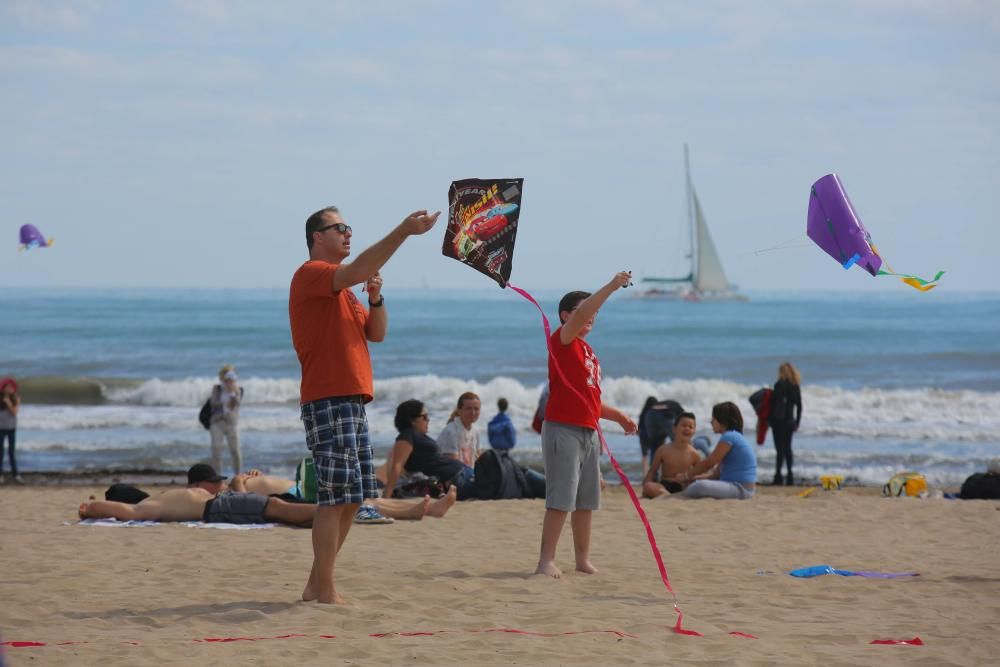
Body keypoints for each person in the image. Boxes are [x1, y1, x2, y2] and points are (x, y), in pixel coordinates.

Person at [289, 204, 439, 605]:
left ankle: (316, 583)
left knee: (354, 497)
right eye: (339, 228)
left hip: (352, 400)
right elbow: (354, 269)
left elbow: (378, 333)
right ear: (318, 237)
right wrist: (404, 231)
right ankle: (325, 589)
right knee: (334, 497)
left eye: (349, 227)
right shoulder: (312, 274)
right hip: (327, 398)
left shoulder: (347, 293)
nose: (347, 233)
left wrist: (375, 298)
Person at [534, 274, 638, 579]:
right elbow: (581, 314)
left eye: (595, 313)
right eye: (585, 311)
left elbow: (589, 399)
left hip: (588, 430)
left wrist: (618, 415)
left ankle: (582, 559)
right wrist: (611, 286)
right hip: (562, 428)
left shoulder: (588, 351)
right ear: (567, 316)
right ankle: (545, 561)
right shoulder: (562, 340)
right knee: (561, 499)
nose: (592, 316)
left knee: (585, 500)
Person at [78, 464, 315, 526]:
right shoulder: (149, 506)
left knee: (275, 507)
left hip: (221, 504)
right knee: (274, 507)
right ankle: (329, 512)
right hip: (218, 508)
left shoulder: (160, 499)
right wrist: (89, 509)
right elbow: (126, 511)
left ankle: (326, 514)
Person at [384, 399, 478, 500]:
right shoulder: (406, 436)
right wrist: (386, 497)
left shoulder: (417, 436)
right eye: (424, 417)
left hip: (462, 474)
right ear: (412, 420)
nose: (428, 420)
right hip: (456, 480)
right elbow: (397, 466)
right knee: (491, 486)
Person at [674, 402, 757, 500]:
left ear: (722, 420)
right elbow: (715, 475)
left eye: (713, 418)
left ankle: (679, 496)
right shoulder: (733, 436)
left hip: (740, 488)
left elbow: (709, 463)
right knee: (696, 483)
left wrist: (686, 475)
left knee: (700, 486)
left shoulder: (729, 436)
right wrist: (691, 479)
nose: (711, 422)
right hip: (741, 488)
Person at [642, 412, 703, 498]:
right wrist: (645, 488)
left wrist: (689, 478)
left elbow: (701, 473)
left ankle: (670, 496)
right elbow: (652, 471)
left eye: (691, 427)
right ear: (674, 429)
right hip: (664, 486)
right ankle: (669, 496)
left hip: (683, 487)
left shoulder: (694, 454)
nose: (687, 429)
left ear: (694, 431)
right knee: (649, 486)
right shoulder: (663, 450)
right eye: (684, 425)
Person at [768, 362, 802, 486]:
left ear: (782, 372)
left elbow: (774, 405)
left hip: (778, 422)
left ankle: (778, 476)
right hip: (790, 422)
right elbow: (799, 406)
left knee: (779, 450)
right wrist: (797, 422)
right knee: (788, 448)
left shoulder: (779, 385)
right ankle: (790, 475)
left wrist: (769, 420)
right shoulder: (795, 386)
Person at [208, 365, 243, 476]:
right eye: (226, 376)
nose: (228, 380)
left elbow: (236, 405)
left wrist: (232, 393)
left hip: (231, 423)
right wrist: (223, 401)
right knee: (216, 452)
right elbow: (213, 403)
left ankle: (238, 475)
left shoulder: (237, 390)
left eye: (231, 376)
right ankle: (217, 476)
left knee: (236, 451)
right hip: (217, 423)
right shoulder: (217, 389)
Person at [437, 392, 482, 466]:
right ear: (459, 410)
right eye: (468, 408)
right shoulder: (451, 431)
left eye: (476, 409)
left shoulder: (476, 432)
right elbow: (453, 467)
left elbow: (477, 461)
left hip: (466, 474)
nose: (473, 412)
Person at [0, 378, 21, 484]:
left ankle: (15, 474)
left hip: (11, 428)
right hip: (1, 428)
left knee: (11, 452)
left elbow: (14, 412)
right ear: (3, 389)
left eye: (10, 387)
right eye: (6, 387)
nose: (9, 389)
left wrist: (8, 403)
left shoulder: (16, 398)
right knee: (0, 452)